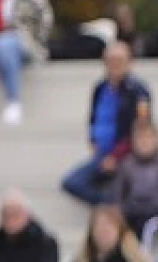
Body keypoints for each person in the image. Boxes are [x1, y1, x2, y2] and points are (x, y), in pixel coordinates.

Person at [62, 41, 152, 206]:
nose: (114, 65)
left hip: (125, 157)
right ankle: (109, 205)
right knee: (72, 183)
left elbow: (141, 128)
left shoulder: (137, 91)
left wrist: (116, 156)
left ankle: (114, 208)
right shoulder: (100, 88)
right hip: (101, 154)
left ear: (129, 62)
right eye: (110, 61)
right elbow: (93, 118)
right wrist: (93, 140)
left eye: (119, 60)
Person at [112, 121, 158, 246]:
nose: (144, 142)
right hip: (132, 217)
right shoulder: (126, 165)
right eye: (140, 138)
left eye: (148, 138)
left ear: (156, 139)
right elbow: (118, 195)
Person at [0, 189, 59, 262]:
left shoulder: (45, 245)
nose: (10, 219)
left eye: (15, 214)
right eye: (6, 214)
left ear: (27, 215)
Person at [74, 205, 150, 262]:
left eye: (108, 229)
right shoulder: (86, 258)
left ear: (120, 232)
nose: (103, 232)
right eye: (99, 227)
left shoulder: (130, 259)